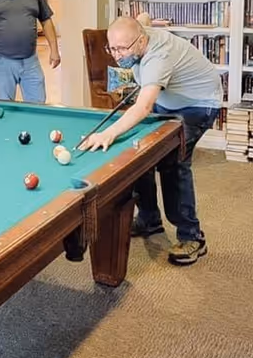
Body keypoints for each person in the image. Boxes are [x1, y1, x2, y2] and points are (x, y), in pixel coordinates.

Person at [79, 16, 223, 266]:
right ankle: (149, 219)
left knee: (173, 161)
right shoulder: (139, 32)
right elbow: (142, 18)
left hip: (198, 103)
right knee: (140, 152)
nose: (117, 56)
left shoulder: (158, 57)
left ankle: (192, 237)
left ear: (141, 40)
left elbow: (143, 107)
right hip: (168, 100)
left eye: (123, 49)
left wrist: (107, 133)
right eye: (112, 48)